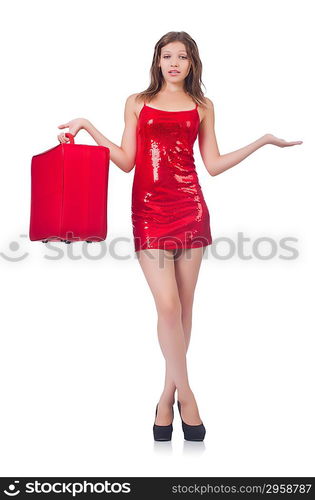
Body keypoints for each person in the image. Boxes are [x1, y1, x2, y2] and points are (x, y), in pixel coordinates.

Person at [57, 31, 303, 441]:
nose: (174, 62)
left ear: (192, 64)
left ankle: (165, 396)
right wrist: (88, 126)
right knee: (168, 308)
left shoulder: (202, 105)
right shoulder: (137, 102)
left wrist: (262, 142)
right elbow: (126, 162)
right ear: (157, 61)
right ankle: (187, 396)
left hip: (191, 208)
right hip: (150, 212)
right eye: (167, 55)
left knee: (185, 309)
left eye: (182, 57)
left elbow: (214, 164)